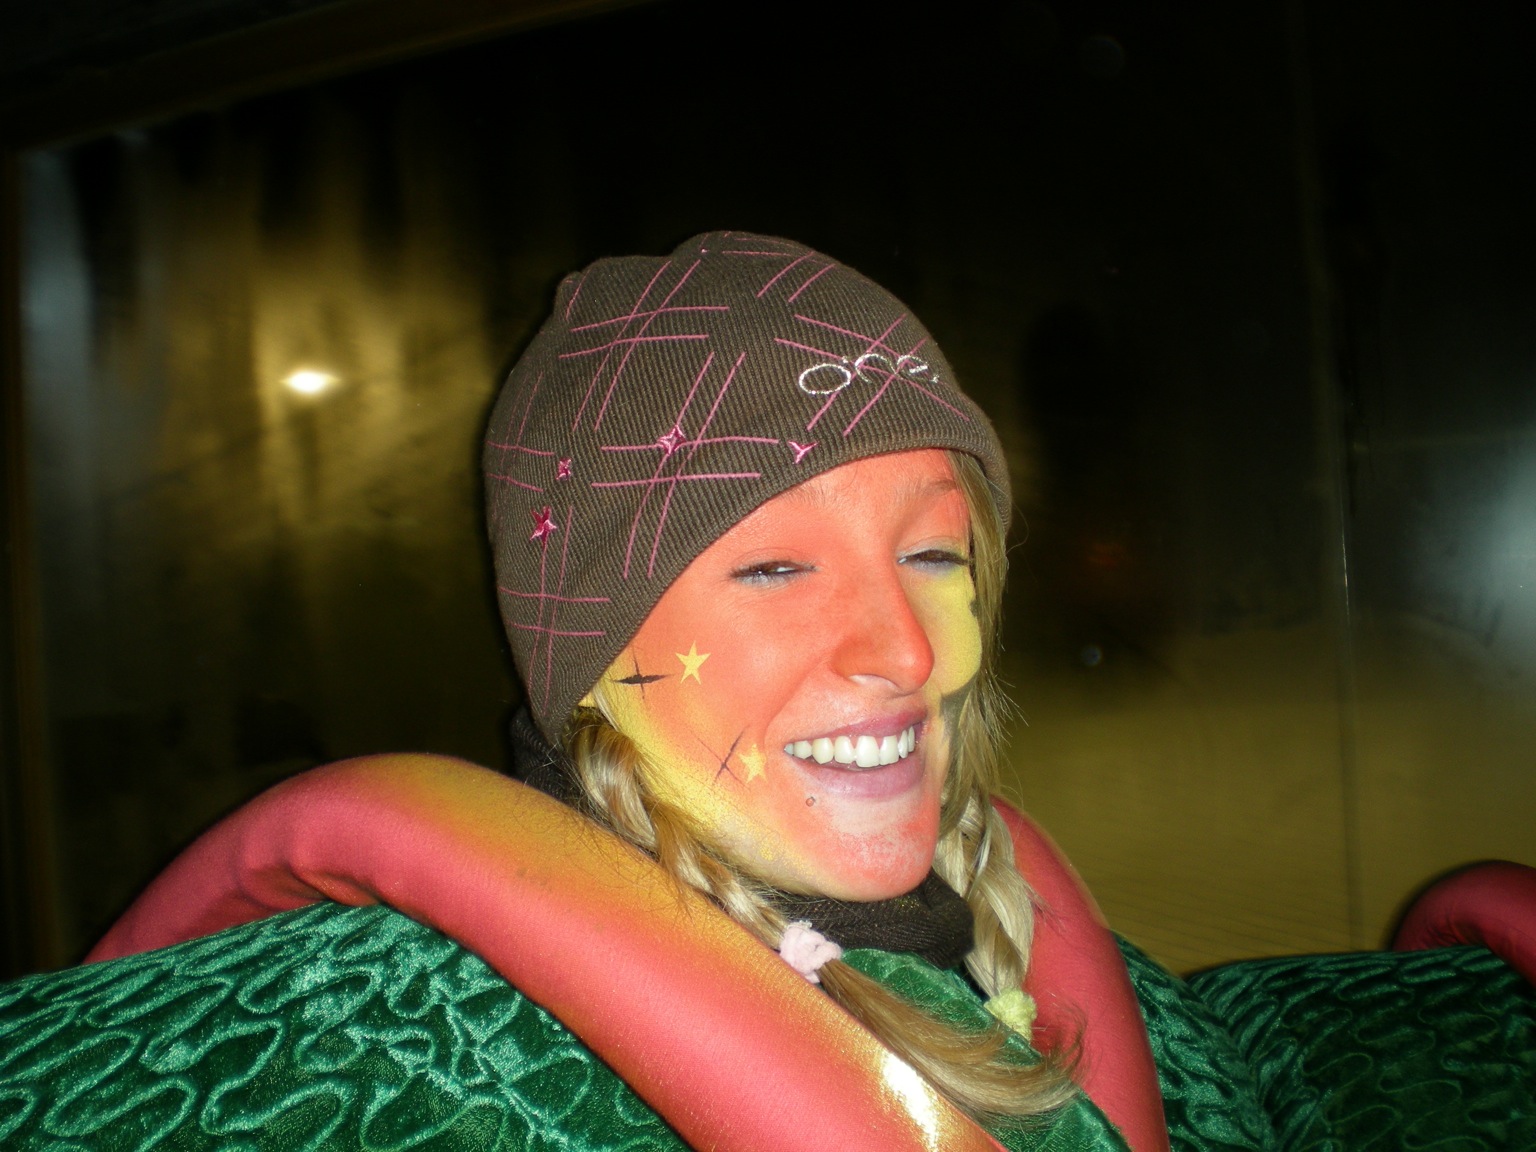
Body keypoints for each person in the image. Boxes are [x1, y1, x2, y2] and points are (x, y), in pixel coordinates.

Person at [2, 233, 1532, 1152]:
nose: (905, 652)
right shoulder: (399, 1044)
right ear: (586, 648)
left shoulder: (1026, 931)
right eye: (773, 569)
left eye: (932, 555)